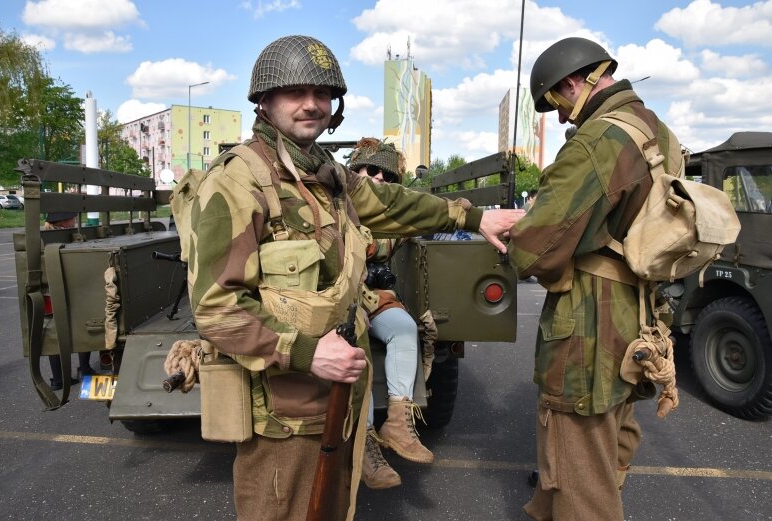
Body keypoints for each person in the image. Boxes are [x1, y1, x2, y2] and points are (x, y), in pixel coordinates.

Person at [186, 35, 521, 521]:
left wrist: (472, 219)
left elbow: (394, 203)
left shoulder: (328, 177)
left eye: (322, 94)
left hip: (336, 404)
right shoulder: (238, 180)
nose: (311, 105)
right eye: (295, 92)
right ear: (263, 101)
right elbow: (217, 308)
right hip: (284, 416)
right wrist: (306, 351)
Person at [507, 37, 683, 520]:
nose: (561, 116)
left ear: (573, 82)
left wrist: (520, 227)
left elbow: (532, 249)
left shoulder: (597, 141)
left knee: (580, 466)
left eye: (557, 102)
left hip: (590, 323)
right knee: (609, 435)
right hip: (637, 315)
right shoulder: (657, 131)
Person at [347, 138, 431, 490]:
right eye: (370, 169)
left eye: (387, 173)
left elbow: (415, 220)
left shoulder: (392, 206)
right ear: (355, 171)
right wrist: (386, 242)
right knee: (357, 348)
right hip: (335, 294)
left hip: (369, 293)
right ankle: (364, 444)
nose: (379, 177)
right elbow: (359, 247)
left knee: (404, 328)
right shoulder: (336, 200)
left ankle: (397, 419)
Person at [43, 212, 96, 389]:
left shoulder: (43, 237)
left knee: (53, 333)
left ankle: (58, 379)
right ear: (64, 222)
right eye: (72, 219)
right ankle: (85, 368)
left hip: (50, 291)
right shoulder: (68, 238)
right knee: (82, 325)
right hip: (72, 288)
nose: (75, 221)